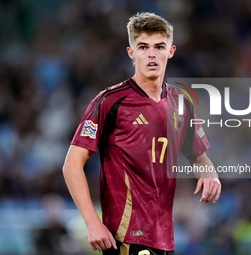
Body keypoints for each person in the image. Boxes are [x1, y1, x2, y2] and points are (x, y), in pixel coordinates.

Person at [63, 12, 221, 255]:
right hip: (126, 236)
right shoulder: (110, 101)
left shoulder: (181, 103)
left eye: (159, 46)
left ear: (171, 51)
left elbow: (200, 159)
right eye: (143, 47)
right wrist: (92, 222)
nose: (151, 54)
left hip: (165, 238)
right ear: (131, 53)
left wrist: (210, 175)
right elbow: (72, 164)